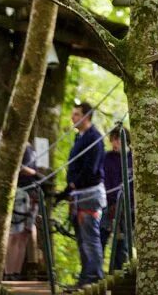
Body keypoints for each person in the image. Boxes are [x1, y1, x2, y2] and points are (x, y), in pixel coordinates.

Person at [60, 101, 105, 286]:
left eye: (77, 114)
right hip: (79, 194)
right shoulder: (80, 137)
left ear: (86, 117)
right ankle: (86, 277)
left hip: (89, 194)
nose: (73, 117)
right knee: (82, 239)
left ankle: (94, 277)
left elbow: (90, 170)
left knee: (90, 238)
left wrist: (71, 186)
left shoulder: (94, 138)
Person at [3, 142, 39, 281]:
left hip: (31, 192)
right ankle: (9, 273)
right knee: (14, 235)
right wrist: (35, 173)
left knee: (24, 235)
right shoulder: (15, 145)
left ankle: (16, 273)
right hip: (19, 192)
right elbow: (16, 167)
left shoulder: (30, 148)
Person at [101, 126, 134, 271]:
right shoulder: (107, 158)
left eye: (117, 140)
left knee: (122, 243)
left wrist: (126, 205)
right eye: (112, 140)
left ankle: (117, 273)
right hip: (108, 205)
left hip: (127, 207)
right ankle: (96, 274)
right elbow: (103, 180)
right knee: (101, 237)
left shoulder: (133, 159)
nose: (114, 143)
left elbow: (132, 186)